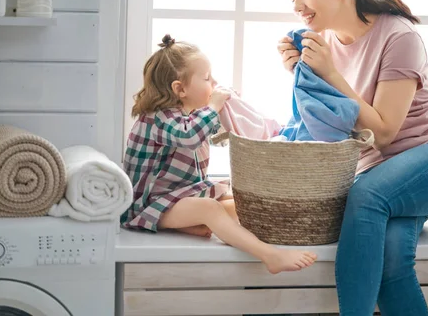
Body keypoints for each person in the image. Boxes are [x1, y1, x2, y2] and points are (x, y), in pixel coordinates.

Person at [278, 0, 428, 315]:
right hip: (382, 176)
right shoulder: (324, 44)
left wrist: (329, 73)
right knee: (393, 265)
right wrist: (302, 77)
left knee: (364, 197)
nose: (298, 5)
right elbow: (329, 123)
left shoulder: (399, 37)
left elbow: (383, 133)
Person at [122, 34, 317, 274]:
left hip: (179, 197)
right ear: (179, 89)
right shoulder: (158, 119)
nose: (213, 83)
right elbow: (189, 136)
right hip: (149, 205)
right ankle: (271, 256)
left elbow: (217, 133)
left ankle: (192, 226)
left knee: (240, 206)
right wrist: (213, 106)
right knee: (210, 209)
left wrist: (234, 108)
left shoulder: (190, 116)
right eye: (206, 78)